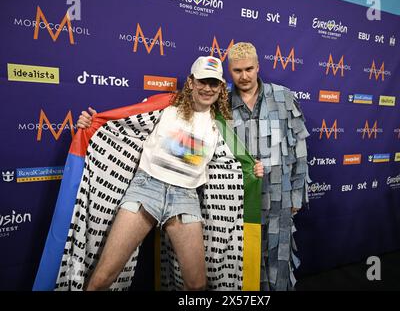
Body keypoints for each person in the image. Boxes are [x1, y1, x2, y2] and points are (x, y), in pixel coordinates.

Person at [82, 56, 264, 290]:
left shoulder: (220, 125)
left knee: (197, 285)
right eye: (202, 82)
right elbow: (121, 124)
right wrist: (91, 123)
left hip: (185, 198)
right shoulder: (164, 107)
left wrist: (253, 169)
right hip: (146, 189)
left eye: (214, 83)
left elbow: (236, 165)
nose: (208, 88)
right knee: (103, 277)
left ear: (221, 88)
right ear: (191, 82)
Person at [226, 42, 310, 291]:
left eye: (249, 69)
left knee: (278, 262)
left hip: (279, 197)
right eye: (237, 71)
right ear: (229, 71)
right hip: (240, 200)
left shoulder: (284, 97)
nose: (244, 76)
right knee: (244, 263)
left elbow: (300, 150)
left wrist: (297, 193)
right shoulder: (220, 105)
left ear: (258, 66)